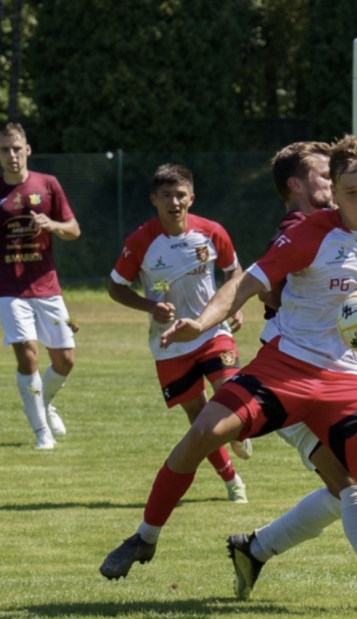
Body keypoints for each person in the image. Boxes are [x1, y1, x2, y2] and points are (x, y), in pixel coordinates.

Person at [99, 135, 357, 615]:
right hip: (284, 367)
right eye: (351, 192)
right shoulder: (310, 232)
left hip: (343, 381)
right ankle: (145, 537)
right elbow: (248, 282)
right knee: (203, 435)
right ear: (334, 191)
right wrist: (203, 323)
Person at [227, 141, 357, 607]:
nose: (332, 181)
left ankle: (254, 549)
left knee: (350, 483)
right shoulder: (301, 227)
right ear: (296, 185)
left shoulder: (335, 230)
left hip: (331, 377)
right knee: (356, 481)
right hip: (292, 377)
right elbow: (270, 287)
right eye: (323, 174)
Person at [108, 163, 251, 503]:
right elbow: (115, 288)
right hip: (170, 343)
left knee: (231, 390)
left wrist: (235, 305)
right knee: (200, 419)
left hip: (211, 331)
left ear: (191, 198)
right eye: (167, 195)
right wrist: (150, 307)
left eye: (180, 195)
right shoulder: (141, 241)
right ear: (154, 200)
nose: (174, 201)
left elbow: (235, 274)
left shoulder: (211, 232)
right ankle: (231, 480)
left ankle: (237, 430)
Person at [0, 123, 80, 450]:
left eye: (17, 148)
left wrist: (52, 224)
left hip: (49, 288)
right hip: (8, 289)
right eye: (4, 149)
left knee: (66, 359)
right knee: (28, 355)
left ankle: (44, 402)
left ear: (28, 149)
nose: (12, 155)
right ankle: (41, 432)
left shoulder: (49, 185)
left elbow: (74, 229)